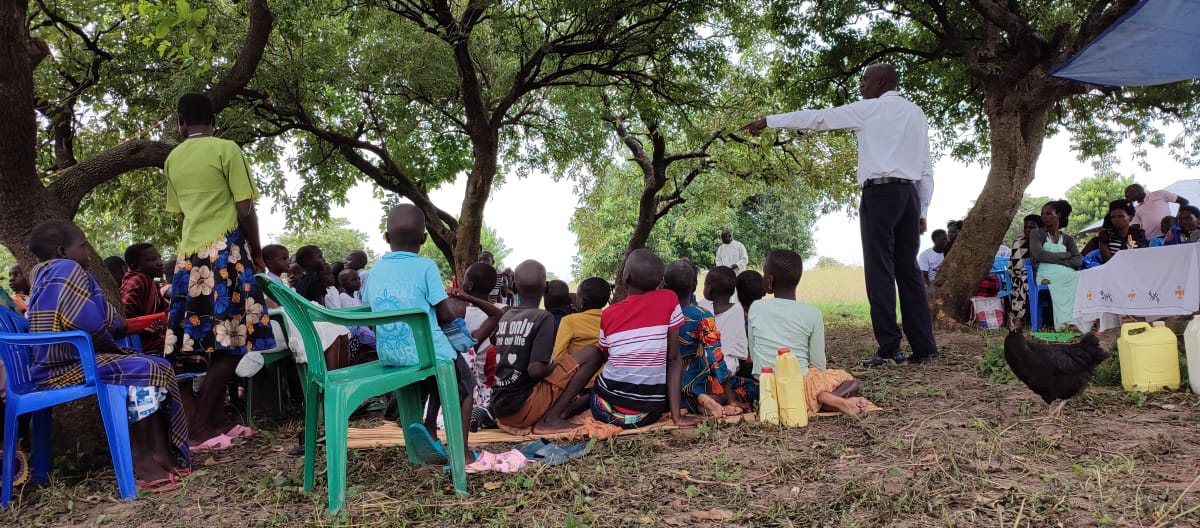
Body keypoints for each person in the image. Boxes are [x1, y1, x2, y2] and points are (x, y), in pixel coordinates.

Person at [743, 63, 937, 366]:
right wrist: (922, 208)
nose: (861, 86)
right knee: (909, 271)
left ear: (881, 82)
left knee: (880, 271)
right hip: (909, 196)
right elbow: (926, 166)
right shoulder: (917, 113)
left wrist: (769, 120)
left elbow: (819, 118)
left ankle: (889, 348)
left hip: (880, 194)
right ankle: (924, 348)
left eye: (865, 80)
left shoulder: (869, 109)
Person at [26, 221, 190, 489]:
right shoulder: (66, 269)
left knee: (153, 364)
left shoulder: (46, 275)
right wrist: (110, 323)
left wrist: (133, 323)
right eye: (82, 245)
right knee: (144, 369)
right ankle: (141, 458)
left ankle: (160, 451)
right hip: (64, 367)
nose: (88, 251)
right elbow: (90, 323)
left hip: (64, 361)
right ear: (62, 251)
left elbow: (110, 324)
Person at [163, 92, 273, 449]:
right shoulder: (227, 149)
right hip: (225, 253)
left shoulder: (173, 159)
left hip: (189, 260)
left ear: (180, 123)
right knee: (233, 341)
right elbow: (244, 208)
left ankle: (219, 420)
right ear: (213, 120)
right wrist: (257, 251)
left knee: (207, 341)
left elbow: (182, 210)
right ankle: (198, 430)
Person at [363, 204, 497, 471]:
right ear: (424, 240)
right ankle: (462, 453)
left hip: (390, 353)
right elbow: (445, 314)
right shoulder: (426, 267)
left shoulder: (375, 271)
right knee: (465, 385)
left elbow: (372, 308)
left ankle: (429, 428)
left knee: (442, 369)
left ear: (387, 238)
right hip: (425, 351)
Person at [748, 250, 872, 416]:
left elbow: (754, 352)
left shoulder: (756, 307)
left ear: (769, 280)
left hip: (765, 383)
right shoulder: (812, 313)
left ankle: (819, 399)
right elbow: (819, 363)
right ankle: (826, 399)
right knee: (850, 381)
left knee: (804, 381)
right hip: (799, 381)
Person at [591, 249, 703, 429]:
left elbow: (605, 355)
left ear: (626, 277)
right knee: (675, 358)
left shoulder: (609, 313)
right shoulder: (669, 299)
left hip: (606, 412)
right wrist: (677, 417)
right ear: (661, 282)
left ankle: (562, 411)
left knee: (594, 355)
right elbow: (673, 358)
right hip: (647, 415)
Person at [490, 260, 606, 434]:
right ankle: (551, 419)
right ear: (545, 288)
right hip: (523, 408)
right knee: (592, 352)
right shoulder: (543, 317)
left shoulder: (506, 316)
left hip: (500, 408)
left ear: (514, 285)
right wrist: (556, 367)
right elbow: (536, 370)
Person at [663, 260, 752, 418]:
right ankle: (708, 399)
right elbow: (715, 357)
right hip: (698, 380)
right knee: (751, 387)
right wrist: (731, 399)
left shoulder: (658, 314)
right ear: (694, 285)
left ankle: (694, 402)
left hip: (666, 384)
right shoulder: (702, 315)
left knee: (673, 396)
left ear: (664, 286)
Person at [454, 262, 507, 429]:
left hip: (470, 382)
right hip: (495, 381)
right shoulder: (505, 309)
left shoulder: (461, 313)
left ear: (469, 286)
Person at [1029, 200, 1083, 331]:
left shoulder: (1068, 239)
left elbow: (1078, 261)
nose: (1044, 217)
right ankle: (1065, 323)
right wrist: (1065, 255)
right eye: (1042, 214)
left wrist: (1054, 259)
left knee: (1082, 277)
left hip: (1064, 271)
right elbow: (1039, 255)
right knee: (1075, 277)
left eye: (1049, 213)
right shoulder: (1036, 234)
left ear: (1058, 215)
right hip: (1044, 273)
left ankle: (1078, 320)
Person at [553, 277, 609, 387]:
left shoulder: (569, 321)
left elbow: (559, 358)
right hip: (605, 382)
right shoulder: (611, 319)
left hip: (579, 385)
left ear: (582, 301)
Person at [697, 266, 747, 373]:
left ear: (709, 288)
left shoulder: (701, 306)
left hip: (701, 365)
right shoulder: (737, 310)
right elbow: (741, 348)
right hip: (726, 366)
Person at [120, 243, 169, 353]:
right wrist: (145, 327)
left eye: (159, 258)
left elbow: (165, 310)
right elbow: (125, 314)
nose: (160, 263)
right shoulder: (138, 280)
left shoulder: (150, 282)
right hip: (140, 342)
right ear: (135, 267)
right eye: (152, 260)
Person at [1008, 214, 1044, 325]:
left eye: (1032, 227)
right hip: (1021, 278)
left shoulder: (1046, 242)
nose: (1028, 230)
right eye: (1026, 227)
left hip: (1044, 276)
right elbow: (1016, 269)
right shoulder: (1018, 244)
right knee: (1025, 280)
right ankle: (1024, 317)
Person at [1096, 199, 1148, 264]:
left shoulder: (1139, 233)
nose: (1116, 220)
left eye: (1121, 216)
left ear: (1130, 218)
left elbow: (1144, 255)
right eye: (1113, 217)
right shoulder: (1105, 235)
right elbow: (1108, 262)